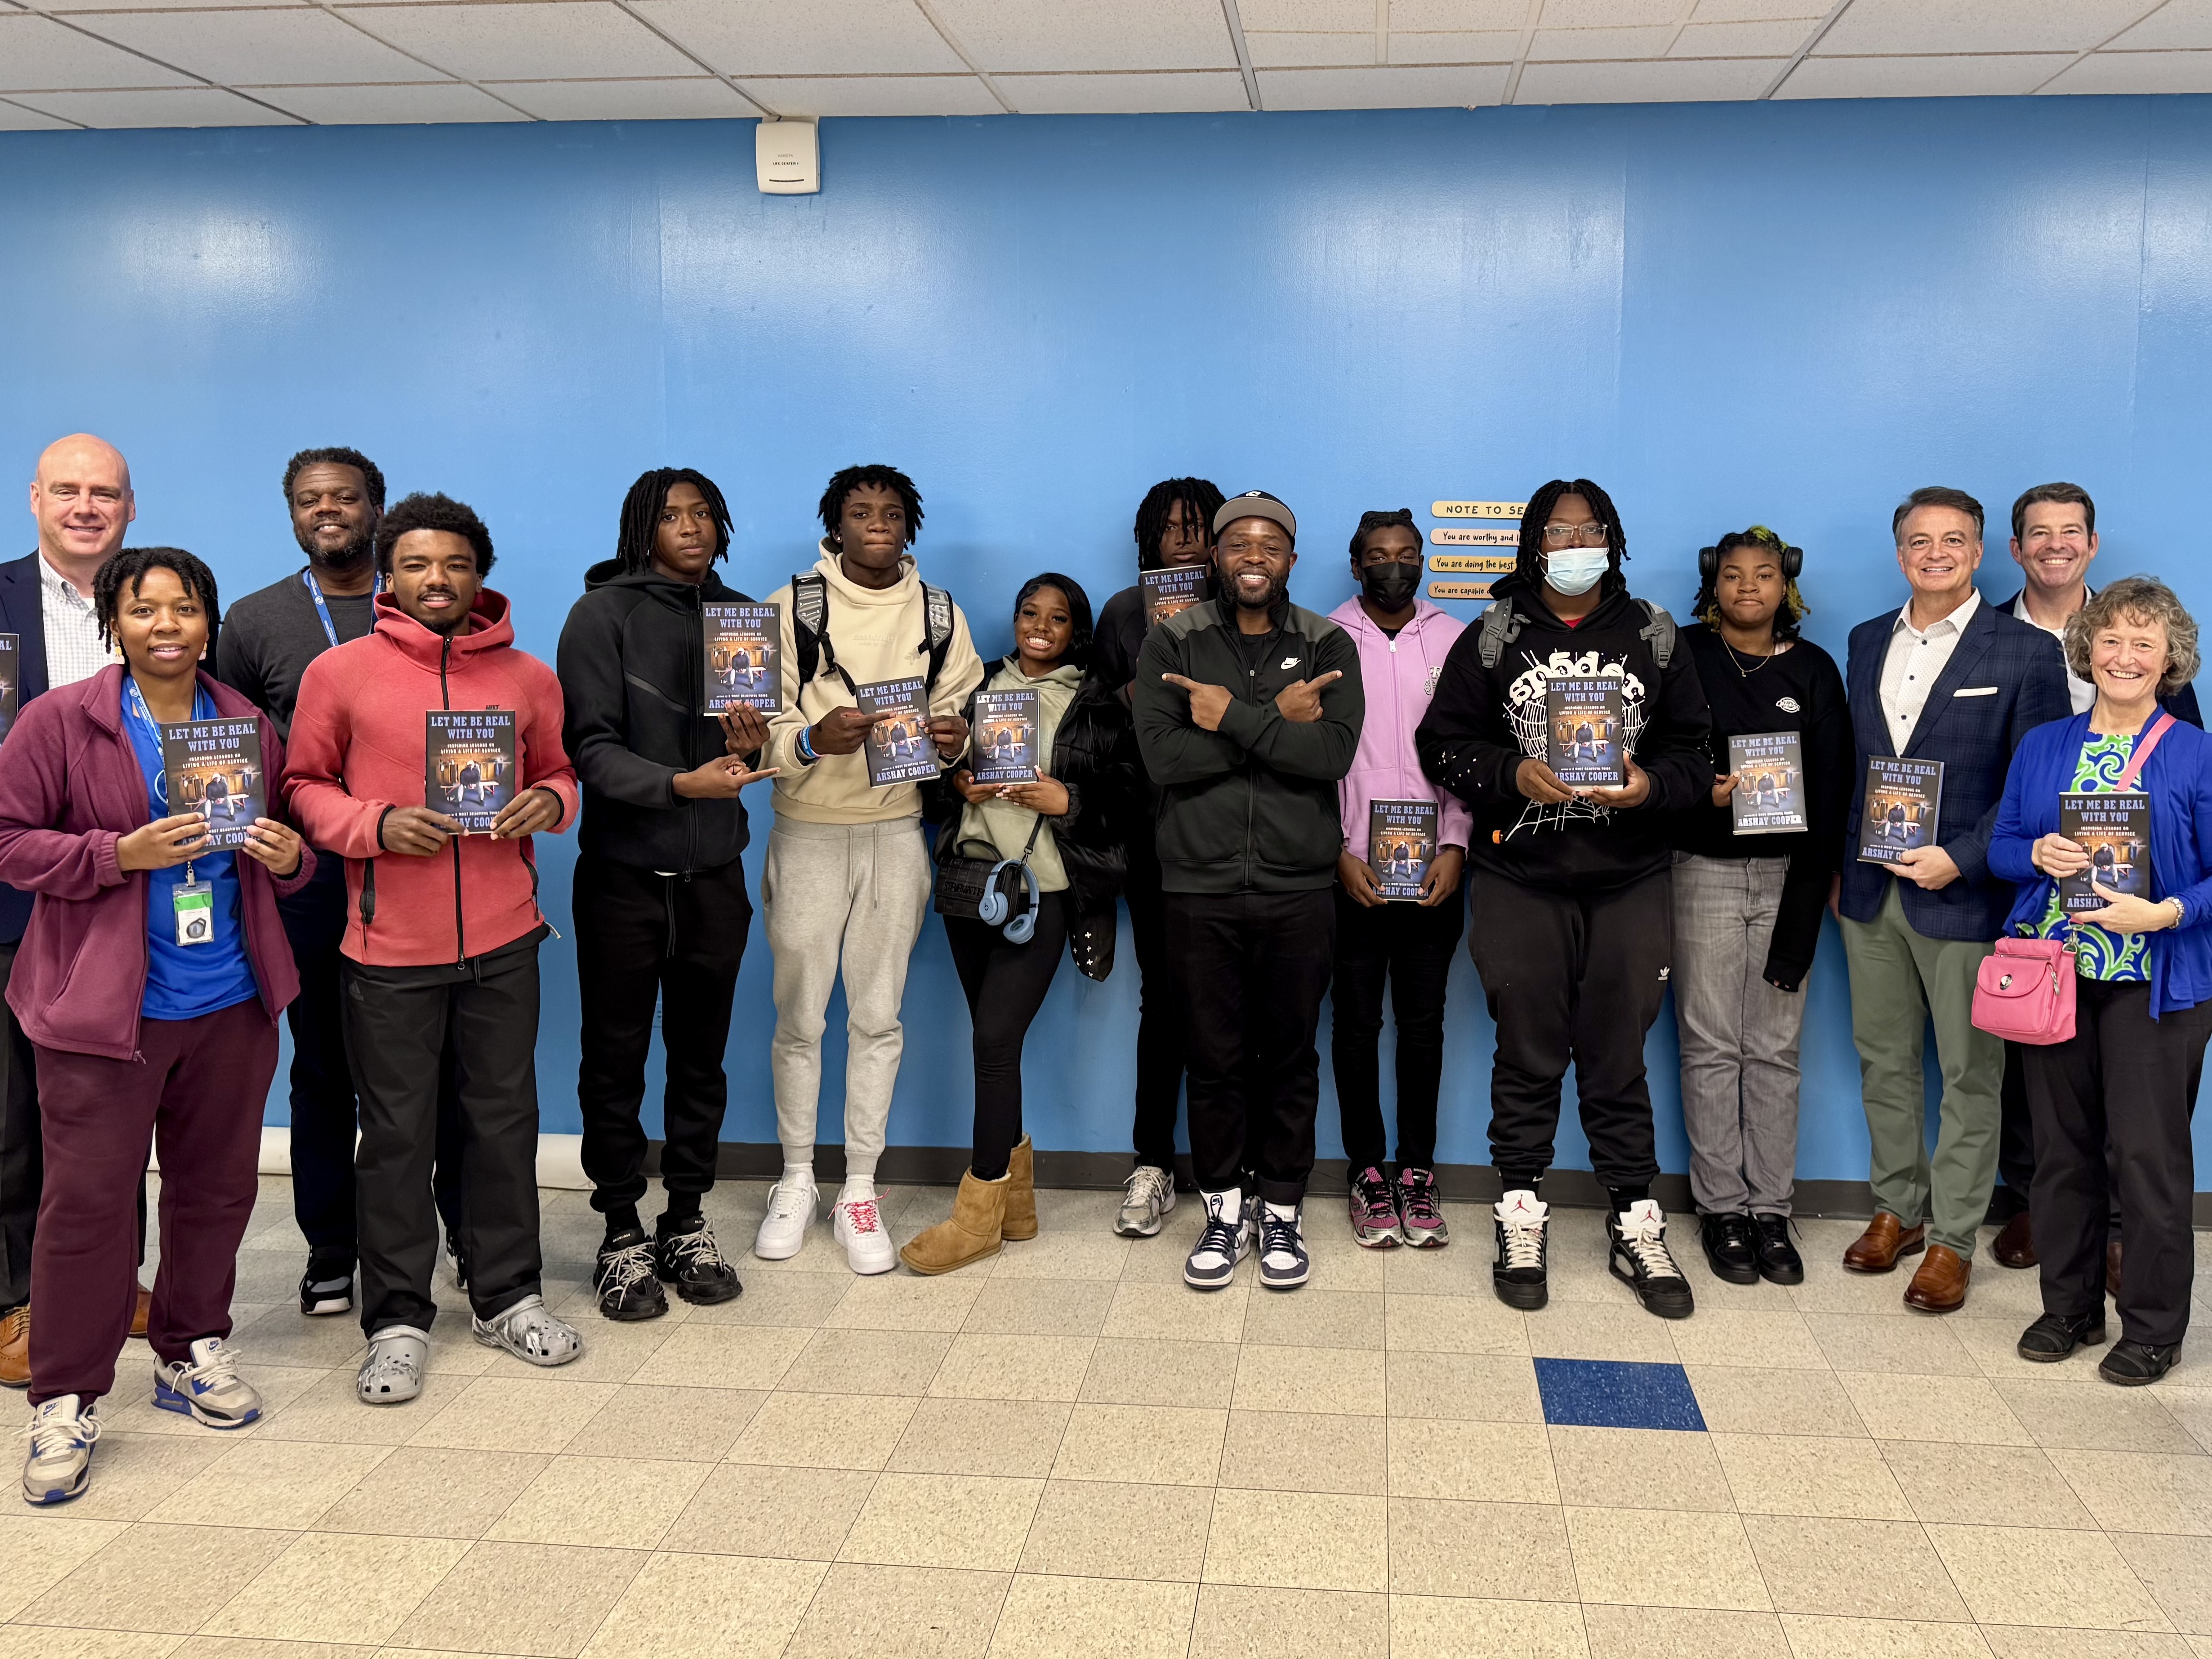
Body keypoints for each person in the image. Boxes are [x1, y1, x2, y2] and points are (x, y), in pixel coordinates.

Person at [0, 547, 310, 1505]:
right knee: (87, 1206)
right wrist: (115, 851)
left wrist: (291, 855)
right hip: (104, 1011)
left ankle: (188, 1350)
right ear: (114, 622)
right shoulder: (62, 719)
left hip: (229, 999)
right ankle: (64, 1395)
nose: (167, 623)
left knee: (214, 1191)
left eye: (185, 607)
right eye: (146, 609)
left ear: (208, 621)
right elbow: (10, 842)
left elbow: (278, 854)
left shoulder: (245, 722)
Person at [284, 491, 582, 1404]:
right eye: (416, 563)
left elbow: (561, 770)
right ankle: (399, 1318)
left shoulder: (526, 677)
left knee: (503, 1124)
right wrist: (374, 824)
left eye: (454, 562)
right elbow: (300, 785)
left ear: (478, 572)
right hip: (386, 946)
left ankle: (506, 1295)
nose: (437, 578)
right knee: (396, 1138)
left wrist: (553, 802)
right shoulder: (339, 673)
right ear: (388, 573)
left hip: (504, 939)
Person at [1418, 478, 1711, 1320]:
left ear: (1612, 539)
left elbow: (1694, 752)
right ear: (1532, 543)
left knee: (1619, 1049)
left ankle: (1633, 1217)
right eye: (1557, 530)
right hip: (1519, 875)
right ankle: (1520, 1209)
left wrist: (1648, 785)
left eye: (1589, 530)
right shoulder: (1494, 634)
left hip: (1629, 875)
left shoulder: (1652, 634)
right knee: (1528, 1045)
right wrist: (1511, 773)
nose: (1573, 544)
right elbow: (1443, 743)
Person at [218, 447, 471, 1320]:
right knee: (324, 1067)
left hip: (426, 870)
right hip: (311, 881)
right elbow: (235, 749)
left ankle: (467, 1241)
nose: (327, 511)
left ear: (378, 507)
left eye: (344, 497)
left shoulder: (436, 599)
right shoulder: (254, 622)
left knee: (436, 1070)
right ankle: (332, 1249)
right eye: (308, 500)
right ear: (292, 514)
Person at [1836, 486, 2069, 1313]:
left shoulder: (2023, 651)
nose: (1934, 553)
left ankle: (1951, 1239)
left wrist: (1962, 859)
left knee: (1971, 1074)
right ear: (1899, 552)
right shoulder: (1865, 641)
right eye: (1918, 540)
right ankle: (1897, 1207)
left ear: (1979, 552)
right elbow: (1853, 769)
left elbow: (2032, 785)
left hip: (1963, 896)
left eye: (1952, 540)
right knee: (1883, 1060)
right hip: (1868, 893)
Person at [557, 468, 775, 1321]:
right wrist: (683, 783)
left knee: (700, 1059)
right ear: (640, 528)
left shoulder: (741, 618)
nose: (690, 527)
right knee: (613, 1061)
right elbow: (591, 747)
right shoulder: (600, 614)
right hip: (622, 878)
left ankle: (685, 1217)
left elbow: (761, 745)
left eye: (703, 514)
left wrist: (755, 744)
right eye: (671, 515)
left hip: (716, 877)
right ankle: (619, 1229)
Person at [754, 465, 983, 1275]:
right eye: (860, 512)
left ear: (909, 526)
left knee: (878, 1017)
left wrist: (954, 739)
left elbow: (964, 712)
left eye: (891, 513)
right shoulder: (791, 607)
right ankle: (793, 1177)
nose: (877, 523)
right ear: (835, 523)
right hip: (808, 832)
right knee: (800, 1018)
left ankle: (858, 1186)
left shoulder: (939, 612)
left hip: (895, 833)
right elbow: (756, 725)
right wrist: (815, 739)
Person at [1133, 490, 1362, 1293]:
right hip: (1196, 886)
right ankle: (1224, 1209)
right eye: (1239, 545)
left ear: (1292, 560)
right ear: (1217, 558)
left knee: (1291, 1056)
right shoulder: (1174, 639)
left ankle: (1285, 1213)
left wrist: (1228, 718)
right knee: (1215, 1057)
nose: (1254, 557)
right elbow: (1164, 761)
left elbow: (1330, 753)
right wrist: (1270, 723)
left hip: (1299, 888)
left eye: (1270, 545)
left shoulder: (1329, 641)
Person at [1989, 577, 2212, 1385]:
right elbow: (2003, 847)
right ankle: (2069, 1308)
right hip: (2057, 975)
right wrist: (2034, 855)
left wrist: (2166, 913)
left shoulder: (2195, 751)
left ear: (2168, 661)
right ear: (2086, 650)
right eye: (2110, 639)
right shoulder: (2045, 743)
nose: (2123, 655)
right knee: (2059, 1153)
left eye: (2141, 644)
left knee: (2146, 1157)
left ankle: (2153, 1326)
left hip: (2157, 982)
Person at [901, 575, 1133, 1273]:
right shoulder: (974, 688)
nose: (1039, 626)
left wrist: (1069, 796)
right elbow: (933, 781)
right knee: (992, 1045)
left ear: (1075, 631)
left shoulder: (1097, 706)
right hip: (971, 885)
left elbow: (1127, 804)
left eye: (1057, 618)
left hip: (1043, 892)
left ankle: (977, 1215)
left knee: (994, 1042)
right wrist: (955, 779)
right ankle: (1019, 1206)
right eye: (1029, 613)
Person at [1, 435, 147, 1391]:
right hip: (12, 890)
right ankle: (21, 1295)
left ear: (131, 507)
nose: (86, 506)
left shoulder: (155, 603)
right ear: (34, 499)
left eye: (105, 493)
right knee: (14, 1109)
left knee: (114, 1104)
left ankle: (114, 1277)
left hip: (129, 894)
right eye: (68, 490)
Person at [1670, 526, 1851, 1287]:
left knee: (1774, 1049)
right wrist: (1702, 791)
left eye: (1765, 575)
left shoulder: (1813, 670)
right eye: (1734, 575)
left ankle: (1771, 1208)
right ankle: (1722, 1209)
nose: (1748, 587)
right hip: (1703, 872)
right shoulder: (1681, 655)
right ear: (1713, 583)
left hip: (1788, 877)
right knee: (1711, 1044)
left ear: (1787, 586)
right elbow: (1656, 760)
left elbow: (1835, 791)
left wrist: (1803, 916)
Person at [1327, 509, 1468, 1249]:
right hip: (1349, 871)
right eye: (1378, 555)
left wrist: (1454, 843)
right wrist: (1334, 853)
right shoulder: (1322, 638)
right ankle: (1366, 1171)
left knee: (1422, 1026)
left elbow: (1470, 749)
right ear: (1356, 566)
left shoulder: (1453, 638)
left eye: (1406, 554)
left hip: (1434, 871)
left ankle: (1416, 1169)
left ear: (1422, 561)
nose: (1393, 565)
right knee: (1354, 1026)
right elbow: (1308, 763)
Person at [1092, 477, 1224, 1237]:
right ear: (1148, 538)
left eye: (1196, 526)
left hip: (1232, 839)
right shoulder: (1119, 615)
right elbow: (1093, 732)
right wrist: (1134, 699)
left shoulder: (1247, 616)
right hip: (1149, 833)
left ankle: (1225, 1168)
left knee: (1227, 1001)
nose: (1184, 539)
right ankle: (1152, 1160)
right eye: (1170, 527)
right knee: (1162, 1002)